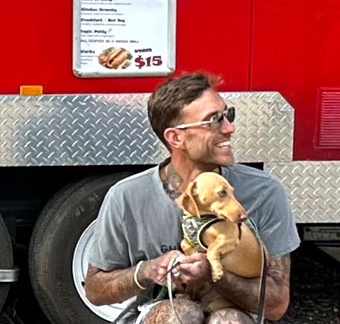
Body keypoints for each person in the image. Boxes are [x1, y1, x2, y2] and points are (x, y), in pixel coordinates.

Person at [84, 72, 299, 324]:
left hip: (237, 311)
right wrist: (148, 270)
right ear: (176, 137)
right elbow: (95, 290)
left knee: (228, 321)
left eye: (227, 115)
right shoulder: (127, 196)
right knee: (178, 315)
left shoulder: (263, 191)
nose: (230, 128)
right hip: (163, 310)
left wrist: (214, 274)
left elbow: (276, 305)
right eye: (214, 120)